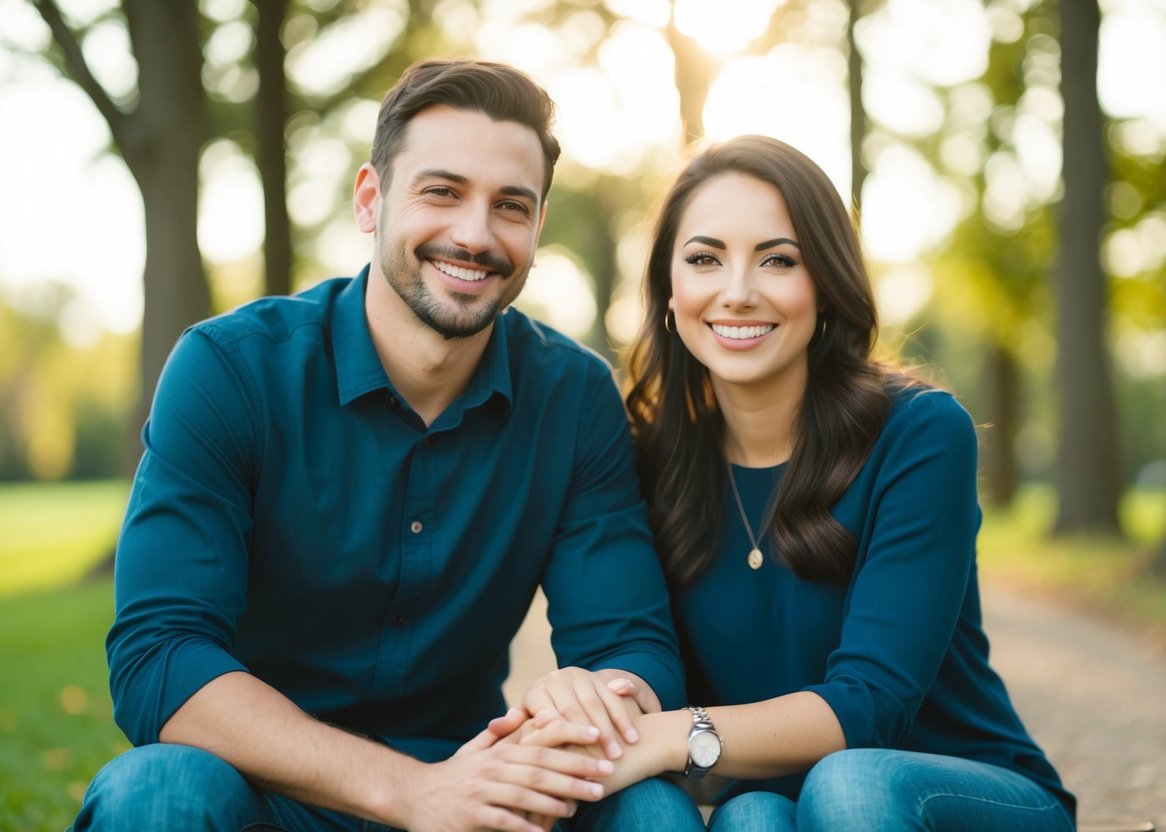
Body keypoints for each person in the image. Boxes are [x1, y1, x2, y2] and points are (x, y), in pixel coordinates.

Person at [71, 58, 685, 832]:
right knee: (156, 793)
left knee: (650, 807)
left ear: (535, 227)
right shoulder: (230, 370)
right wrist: (410, 791)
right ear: (371, 199)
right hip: (270, 791)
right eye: (442, 192)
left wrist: (597, 695)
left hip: (480, 785)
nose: (473, 233)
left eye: (510, 206)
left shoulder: (573, 397)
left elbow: (631, 645)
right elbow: (160, 655)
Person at [558, 135, 1077, 831]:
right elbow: (630, 659)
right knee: (751, 820)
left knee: (845, 786)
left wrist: (671, 737)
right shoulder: (645, 461)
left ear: (825, 282)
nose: (737, 293)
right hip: (777, 798)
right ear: (668, 289)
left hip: (958, 792)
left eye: (777, 260)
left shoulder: (918, 434)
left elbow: (871, 703)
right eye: (705, 258)